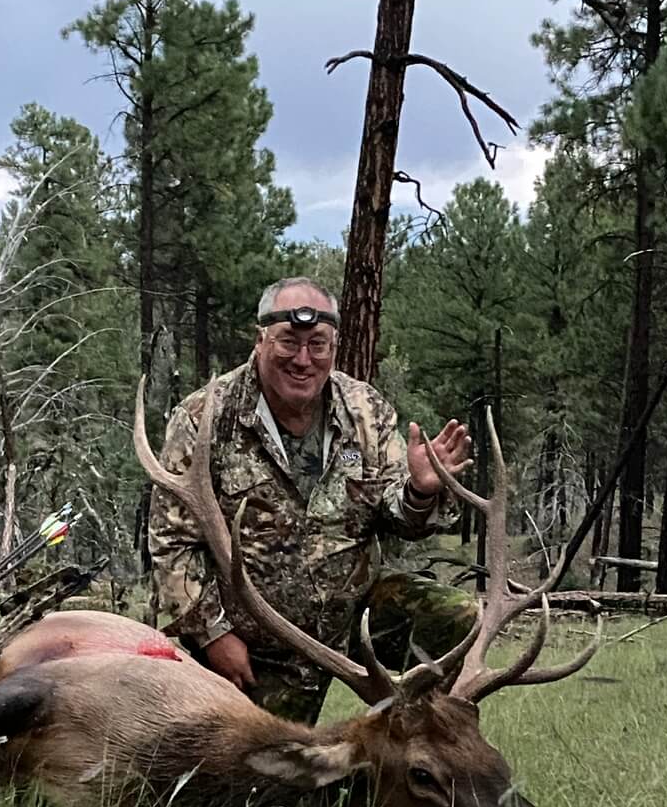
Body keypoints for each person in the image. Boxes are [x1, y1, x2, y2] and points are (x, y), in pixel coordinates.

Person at [148, 276, 477, 724]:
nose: (303, 360)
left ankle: (418, 745)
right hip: (256, 646)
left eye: (317, 345)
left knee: (457, 618)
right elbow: (171, 543)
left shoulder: (366, 411)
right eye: (289, 342)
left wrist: (420, 490)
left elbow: (399, 515)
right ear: (261, 340)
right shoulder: (203, 418)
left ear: (333, 347)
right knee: (265, 766)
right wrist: (213, 634)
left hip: (351, 618)